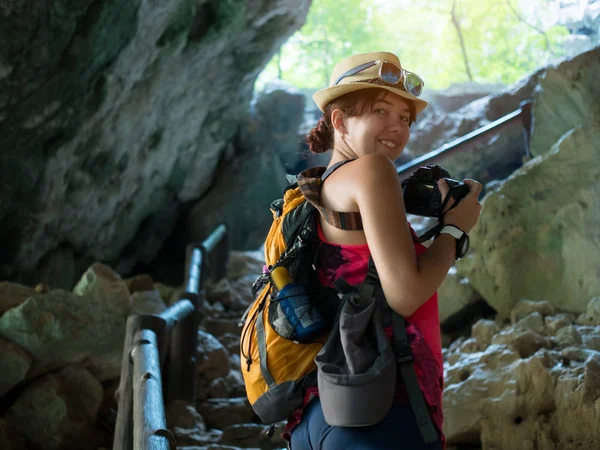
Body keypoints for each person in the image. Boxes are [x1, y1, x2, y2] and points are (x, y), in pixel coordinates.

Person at [286, 52, 483, 449]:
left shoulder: (320, 186)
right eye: (381, 110)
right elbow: (406, 294)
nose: (398, 126)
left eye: (406, 118)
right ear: (340, 121)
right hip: (376, 415)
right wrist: (453, 230)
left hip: (321, 412)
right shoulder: (373, 170)